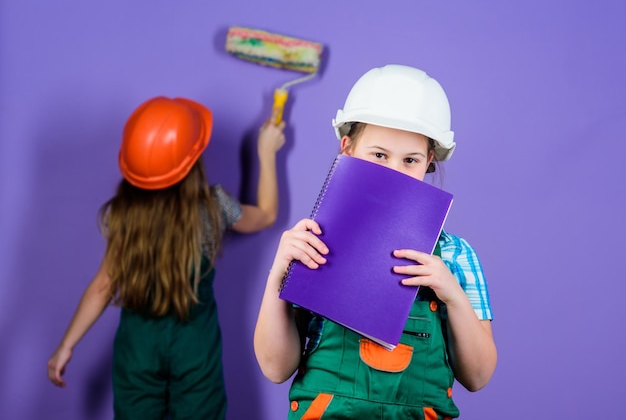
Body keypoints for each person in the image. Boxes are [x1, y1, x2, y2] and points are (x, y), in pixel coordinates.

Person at [254, 64, 497, 419]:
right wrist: (278, 276)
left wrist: (452, 294)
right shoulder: (313, 245)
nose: (394, 172)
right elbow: (275, 368)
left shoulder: (457, 257)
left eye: (410, 160)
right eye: (379, 155)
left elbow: (477, 376)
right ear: (348, 149)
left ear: (428, 162)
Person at [47, 96, 286, 419]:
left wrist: (66, 346)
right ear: (192, 163)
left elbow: (103, 285)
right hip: (195, 348)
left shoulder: (125, 215)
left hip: (138, 351)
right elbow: (267, 215)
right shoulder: (212, 206)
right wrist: (266, 151)